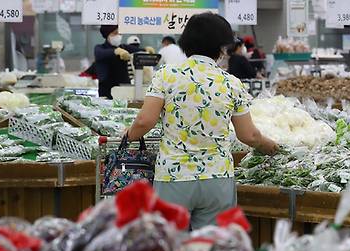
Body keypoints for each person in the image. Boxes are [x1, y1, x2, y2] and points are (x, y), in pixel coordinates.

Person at [125, 13, 278, 229]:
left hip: (174, 177)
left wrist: (128, 135)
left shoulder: (167, 75)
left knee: (169, 250)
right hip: (217, 179)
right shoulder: (231, 82)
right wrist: (270, 146)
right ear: (222, 48)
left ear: (185, 43)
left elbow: (144, 121)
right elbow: (249, 135)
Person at [94, 25, 145, 99]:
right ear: (107, 35)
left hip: (124, 88)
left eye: (120, 33)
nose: (118, 36)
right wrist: (116, 51)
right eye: (115, 33)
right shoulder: (99, 48)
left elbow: (136, 49)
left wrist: (145, 49)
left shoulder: (123, 47)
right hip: (106, 90)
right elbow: (100, 53)